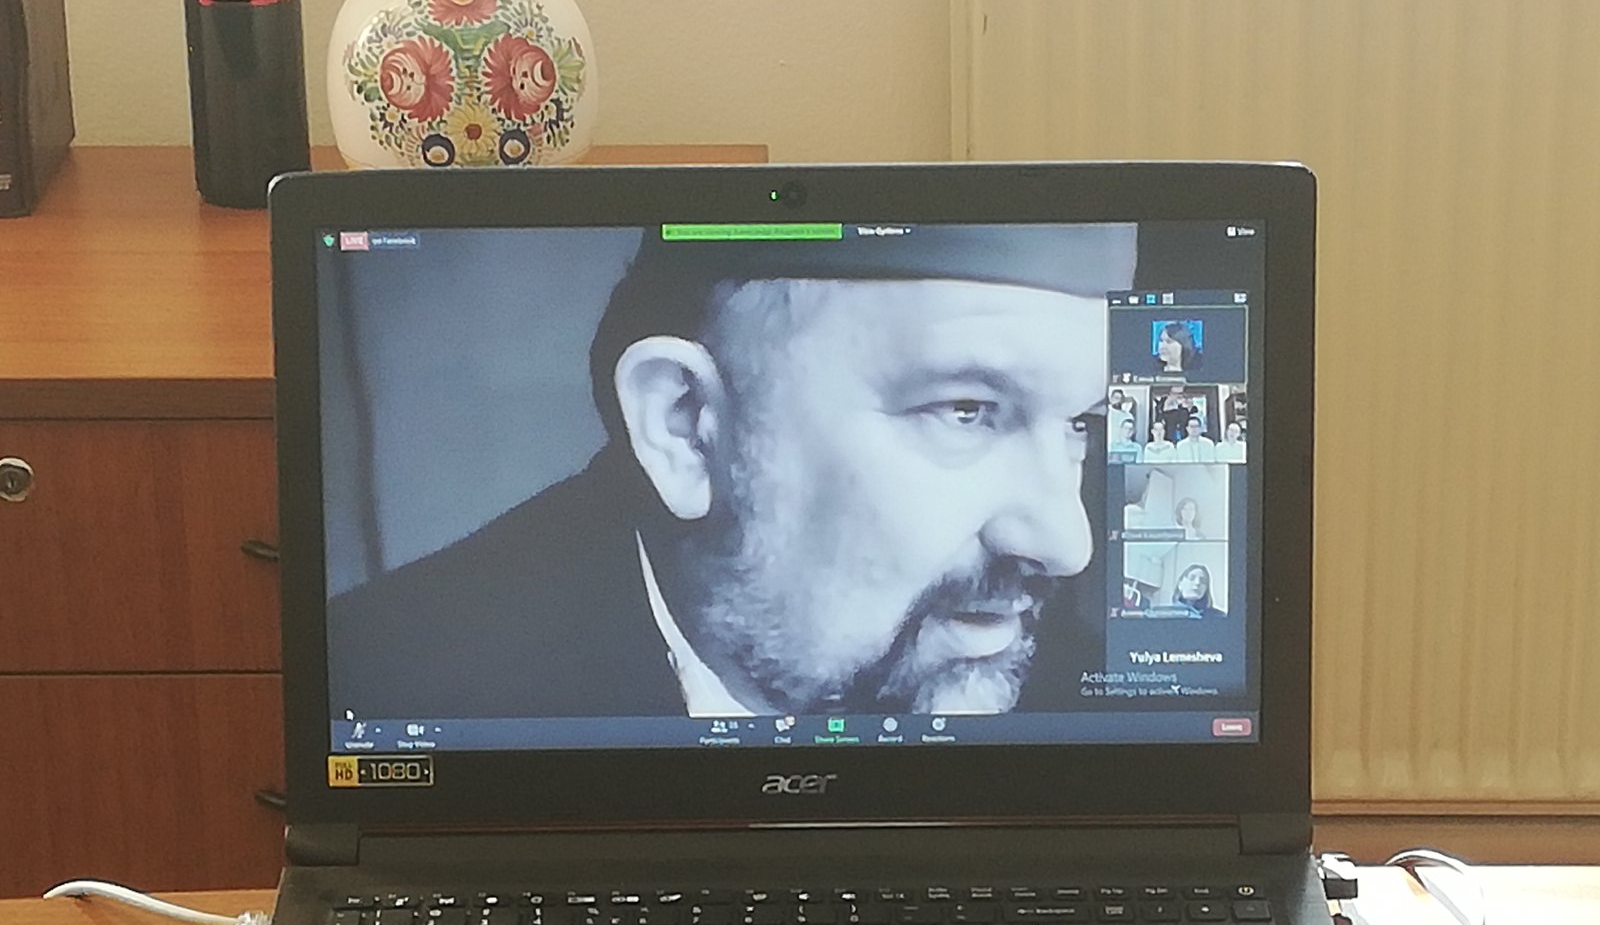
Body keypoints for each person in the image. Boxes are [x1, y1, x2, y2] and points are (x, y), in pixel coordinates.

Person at [327, 223, 1138, 718]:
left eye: (1082, 424)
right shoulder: (394, 683)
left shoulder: (1105, 697)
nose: (1067, 542)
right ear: (685, 425)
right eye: (965, 409)